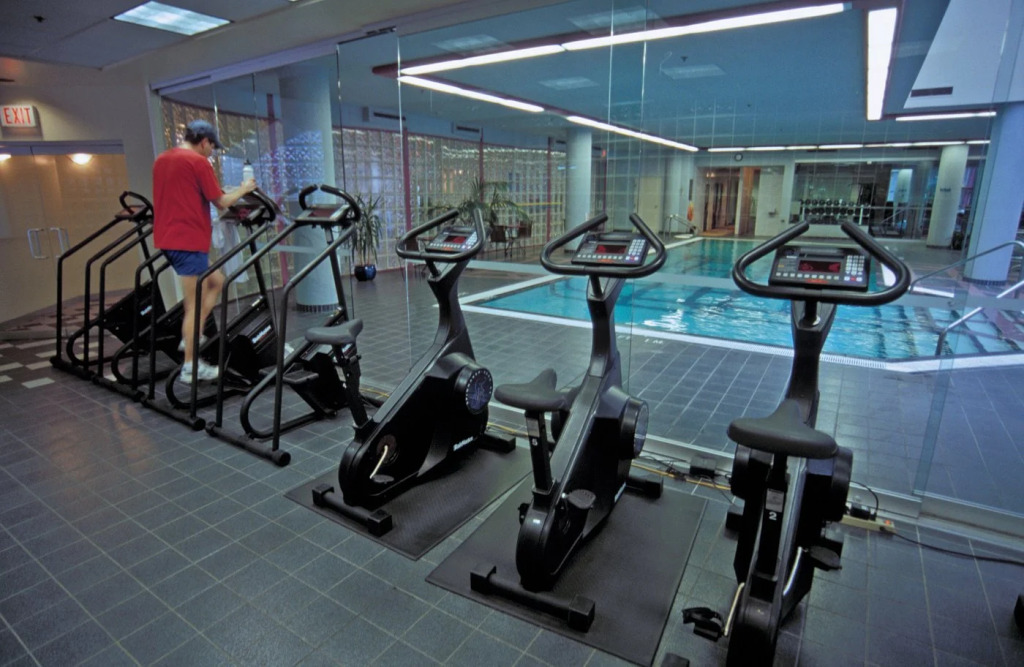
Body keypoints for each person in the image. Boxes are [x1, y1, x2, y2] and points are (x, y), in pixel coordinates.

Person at [153, 119, 257, 383]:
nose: (212, 151)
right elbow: (221, 201)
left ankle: (192, 333)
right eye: (212, 146)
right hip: (187, 241)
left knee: (217, 281)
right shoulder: (198, 162)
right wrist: (245, 189)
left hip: (169, 239)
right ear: (203, 142)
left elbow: (187, 193)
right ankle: (190, 365)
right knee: (194, 305)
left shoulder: (163, 159)